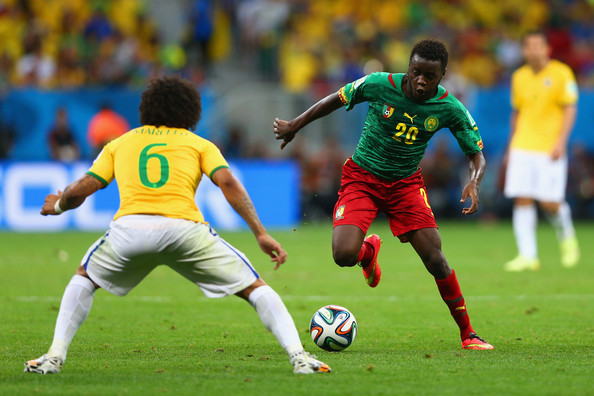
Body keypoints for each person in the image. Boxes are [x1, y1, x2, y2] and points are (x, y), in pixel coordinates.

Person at [25, 75, 330, 375]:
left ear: (146, 108)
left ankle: (53, 357)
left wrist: (60, 204)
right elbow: (227, 182)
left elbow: (84, 187)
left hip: (130, 230)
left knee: (84, 277)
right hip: (184, 229)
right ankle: (300, 358)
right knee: (254, 287)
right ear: (191, 111)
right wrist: (260, 233)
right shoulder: (199, 145)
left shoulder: (120, 143)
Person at [274, 39, 494, 350]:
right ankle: (367, 253)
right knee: (343, 255)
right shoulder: (378, 84)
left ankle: (468, 334)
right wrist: (296, 124)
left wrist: (475, 181)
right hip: (362, 178)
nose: (421, 80)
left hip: (405, 185)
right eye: (416, 71)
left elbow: (477, 154)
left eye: (429, 76)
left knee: (436, 259)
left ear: (442, 75)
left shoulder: (449, 108)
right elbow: (336, 99)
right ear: (409, 65)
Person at [503, 31, 579, 272]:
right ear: (524, 51)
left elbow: (570, 108)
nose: (533, 50)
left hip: (549, 147)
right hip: (522, 145)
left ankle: (567, 237)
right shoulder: (519, 77)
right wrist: (511, 145)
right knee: (522, 198)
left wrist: (561, 142)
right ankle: (528, 256)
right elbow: (517, 111)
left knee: (550, 202)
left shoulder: (561, 73)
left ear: (547, 49)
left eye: (538, 46)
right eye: (529, 46)